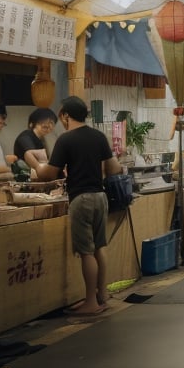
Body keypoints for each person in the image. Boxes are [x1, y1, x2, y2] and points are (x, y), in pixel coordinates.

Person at [36, 96, 123, 315]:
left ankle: (91, 302)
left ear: (65, 115)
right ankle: (102, 296)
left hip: (81, 199)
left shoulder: (66, 140)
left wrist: (36, 166)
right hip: (100, 196)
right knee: (99, 246)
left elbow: (50, 173)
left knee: (86, 252)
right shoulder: (98, 136)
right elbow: (113, 168)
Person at [13, 107, 57, 179]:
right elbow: (29, 154)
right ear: (32, 124)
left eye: (51, 126)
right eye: (45, 126)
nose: (48, 129)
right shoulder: (25, 136)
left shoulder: (41, 139)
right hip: (25, 177)